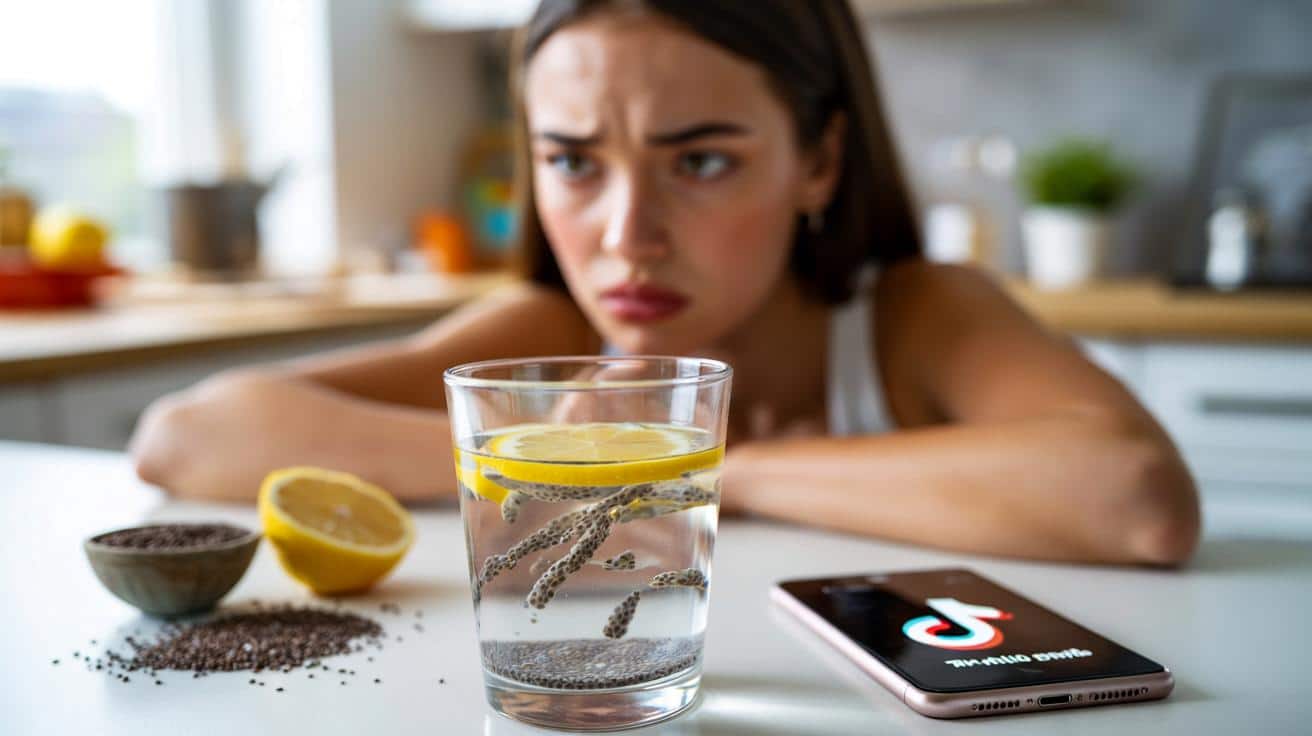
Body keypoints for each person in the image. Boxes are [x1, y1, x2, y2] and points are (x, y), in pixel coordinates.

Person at [130, 0, 1199, 565]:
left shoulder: (916, 314)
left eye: (700, 161)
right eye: (572, 161)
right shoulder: (546, 328)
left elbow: (1133, 500)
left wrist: (696, 469)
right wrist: (569, 461)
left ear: (817, 161)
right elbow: (187, 437)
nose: (625, 236)